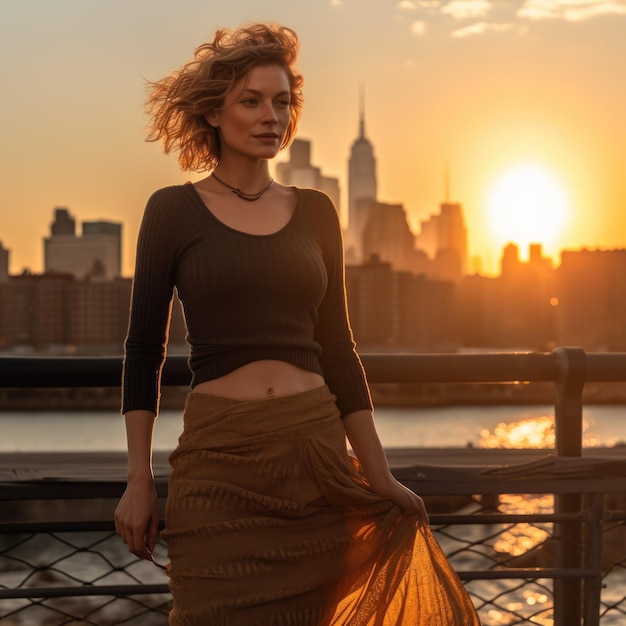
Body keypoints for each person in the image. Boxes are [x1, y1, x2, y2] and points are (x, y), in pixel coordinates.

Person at [114, 22, 480, 626]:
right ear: (213, 113)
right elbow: (143, 348)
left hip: (315, 462)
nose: (271, 116)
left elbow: (339, 348)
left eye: (282, 102)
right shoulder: (171, 211)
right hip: (219, 462)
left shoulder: (316, 212)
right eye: (251, 101)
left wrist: (379, 473)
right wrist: (137, 480)